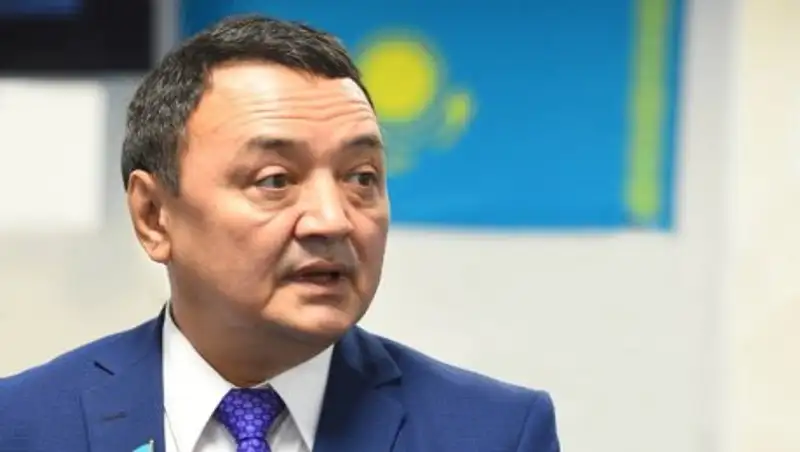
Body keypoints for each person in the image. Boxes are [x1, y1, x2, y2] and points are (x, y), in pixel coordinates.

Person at [0, 15, 560, 452]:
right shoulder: (24, 427)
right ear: (152, 215)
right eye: (275, 180)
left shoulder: (493, 434)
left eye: (362, 178)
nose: (333, 219)